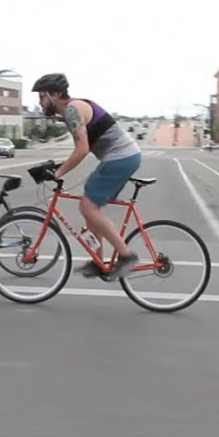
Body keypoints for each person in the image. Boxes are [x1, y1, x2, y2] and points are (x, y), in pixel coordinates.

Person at [31, 73, 143, 282]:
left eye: (42, 96)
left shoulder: (73, 109)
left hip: (121, 157)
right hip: (122, 157)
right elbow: (80, 148)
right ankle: (98, 261)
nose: (39, 101)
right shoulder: (71, 111)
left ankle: (127, 256)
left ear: (55, 94)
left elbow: (82, 150)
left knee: (87, 206)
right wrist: (56, 166)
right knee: (90, 209)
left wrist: (57, 173)